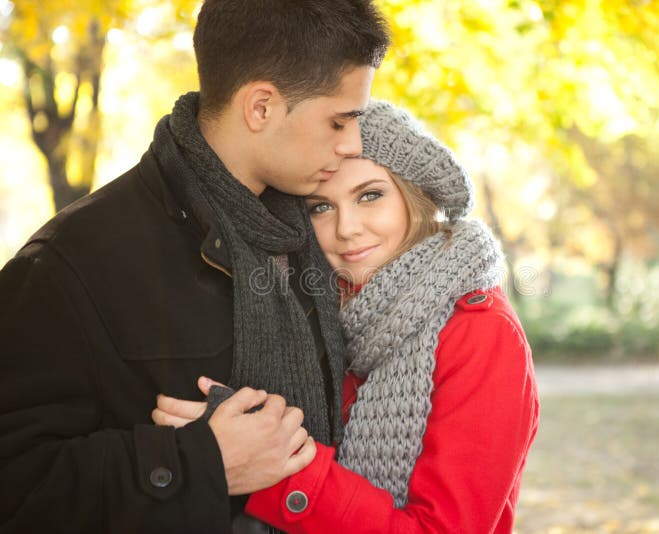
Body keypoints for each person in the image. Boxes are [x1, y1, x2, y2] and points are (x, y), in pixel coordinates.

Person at [0, 1, 389, 532]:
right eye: (339, 120)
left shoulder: (317, 233)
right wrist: (197, 462)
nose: (353, 144)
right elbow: (17, 483)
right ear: (261, 107)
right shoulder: (69, 263)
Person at [153, 100, 540, 532]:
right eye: (321, 207)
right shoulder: (319, 313)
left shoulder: (480, 331)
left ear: (413, 196)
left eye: (370, 195)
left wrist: (273, 466)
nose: (346, 228)